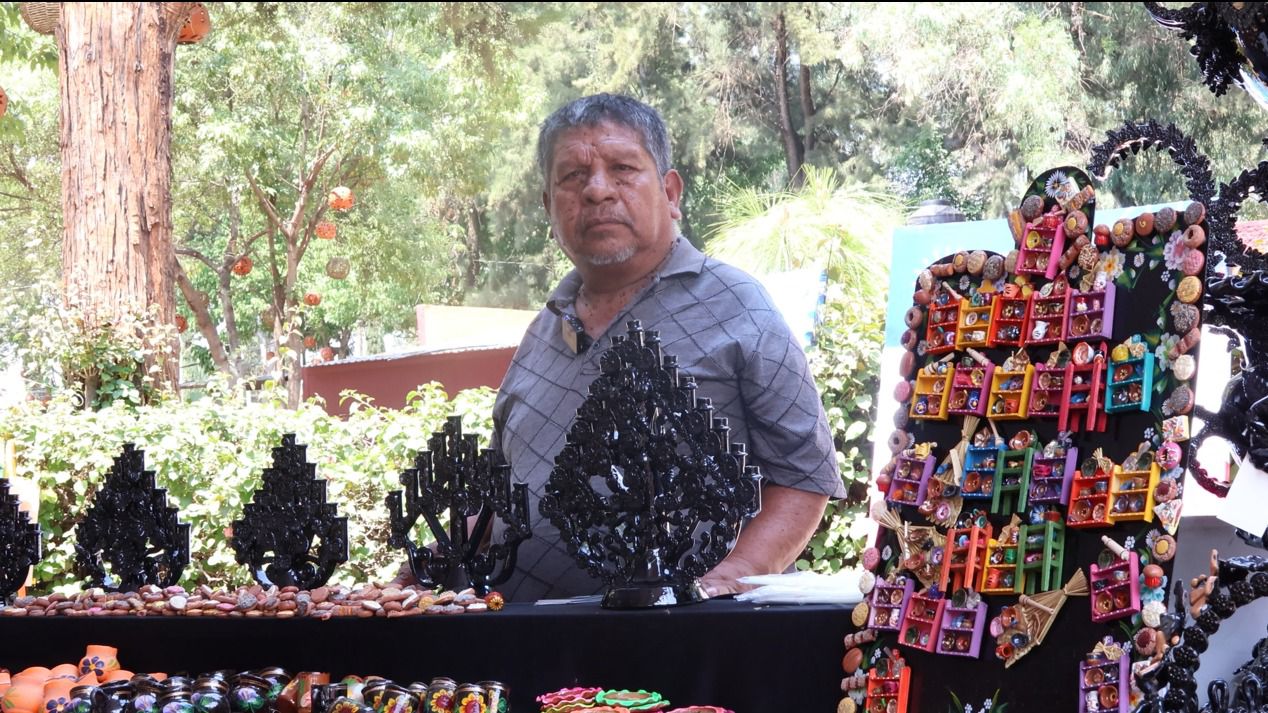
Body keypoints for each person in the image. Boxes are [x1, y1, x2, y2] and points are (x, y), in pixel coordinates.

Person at [489, 93, 844, 601]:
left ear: (671, 192)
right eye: (572, 176)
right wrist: (431, 570)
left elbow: (804, 477)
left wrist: (731, 576)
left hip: (684, 633)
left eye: (622, 169)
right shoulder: (542, 330)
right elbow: (497, 490)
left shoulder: (737, 305)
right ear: (549, 207)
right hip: (525, 636)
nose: (597, 190)